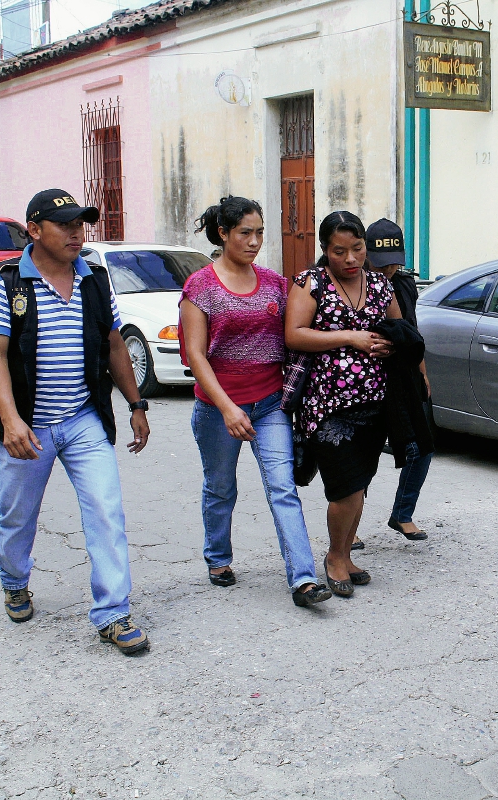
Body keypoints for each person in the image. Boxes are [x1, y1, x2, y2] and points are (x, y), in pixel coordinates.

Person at [0, 188, 151, 655]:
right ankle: (15, 581)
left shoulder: (93, 278)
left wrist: (136, 404)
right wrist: (11, 422)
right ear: (34, 230)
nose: (77, 233)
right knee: (17, 517)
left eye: (81, 224)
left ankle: (113, 613)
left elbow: (114, 344)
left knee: (106, 510)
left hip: (82, 421)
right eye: (65, 225)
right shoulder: (6, 282)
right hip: (28, 426)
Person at [179, 196, 331, 608]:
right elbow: (195, 355)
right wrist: (227, 407)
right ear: (223, 234)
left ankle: (303, 579)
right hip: (217, 407)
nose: (254, 241)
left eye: (260, 232)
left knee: (283, 488)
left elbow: (301, 326)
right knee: (221, 486)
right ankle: (218, 557)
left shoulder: (275, 284)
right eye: (245, 232)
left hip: (269, 405)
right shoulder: (201, 286)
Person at [284, 211, 402, 597]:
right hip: (327, 407)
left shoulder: (382, 286)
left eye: (357, 249)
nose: (351, 259)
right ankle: (335, 557)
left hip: (374, 404)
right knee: (344, 488)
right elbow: (295, 335)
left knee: (361, 484)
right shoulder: (311, 283)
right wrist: (350, 337)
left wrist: (392, 344)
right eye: (340, 251)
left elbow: (400, 330)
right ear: (324, 250)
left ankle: (347, 556)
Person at [361, 218, 433, 546]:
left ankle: (402, 513)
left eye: (394, 262)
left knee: (423, 447)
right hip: (365, 378)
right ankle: (349, 527)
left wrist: (422, 371)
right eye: (381, 263)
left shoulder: (404, 285)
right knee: (364, 453)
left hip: (403, 375)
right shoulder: (350, 283)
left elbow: (412, 331)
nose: (388, 269)